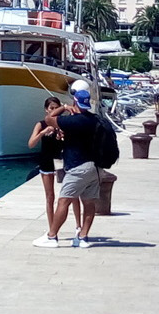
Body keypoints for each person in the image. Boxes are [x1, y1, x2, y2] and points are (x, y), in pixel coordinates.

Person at [39, 90, 103, 249]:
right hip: (95, 168)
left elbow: (49, 119)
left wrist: (64, 107)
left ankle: (51, 236)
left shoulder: (72, 121)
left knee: (63, 201)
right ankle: (83, 237)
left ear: (75, 102)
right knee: (89, 202)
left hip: (77, 167)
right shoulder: (95, 120)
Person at [27, 97, 68, 247]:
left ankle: (76, 227)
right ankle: (52, 231)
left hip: (61, 162)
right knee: (50, 197)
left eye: (56, 108)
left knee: (67, 196)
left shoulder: (63, 124)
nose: (53, 111)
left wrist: (62, 135)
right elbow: (31, 144)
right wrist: (43, 132)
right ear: (46, 109)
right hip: (46, 161)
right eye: (51, 108)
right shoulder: (41, 124)